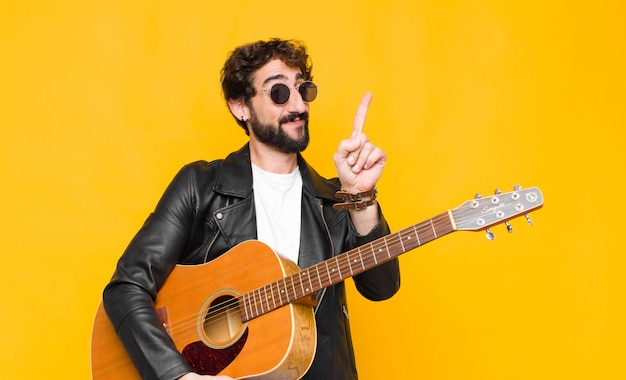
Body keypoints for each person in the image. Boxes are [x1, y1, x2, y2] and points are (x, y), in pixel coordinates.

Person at [102, 38, 401, 380]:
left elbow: (382, 287)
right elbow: (127, 287)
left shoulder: (337, 198)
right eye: (278, 93)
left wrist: (362, 197)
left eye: (303, 90)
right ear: (240, 106)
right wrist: (178, 375)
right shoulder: (199, 187)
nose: (298, 105)